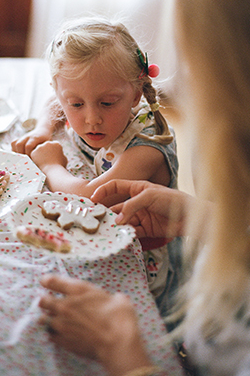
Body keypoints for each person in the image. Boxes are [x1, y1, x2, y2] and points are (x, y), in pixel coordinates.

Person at [38, 0, 250, 376]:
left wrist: (128, 355)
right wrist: (206, 218)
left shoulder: (150, 140)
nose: (186, 79)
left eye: (200, 52)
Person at [12, 17, 180, 305]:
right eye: (76, 104)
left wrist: (52, 165)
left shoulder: (147, 147)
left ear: (137, 93)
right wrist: (42, 128)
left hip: (141, 262)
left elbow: (91, 198)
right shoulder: (82, 100)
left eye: (107, 103)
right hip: (94, 240)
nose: (91, 118)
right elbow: (55, 102)